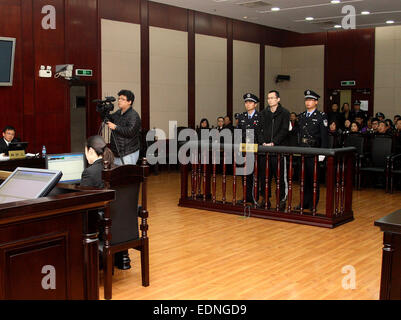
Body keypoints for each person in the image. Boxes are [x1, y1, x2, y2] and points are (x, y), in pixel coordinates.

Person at [296, 90, 328, 211]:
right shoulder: (302, 116)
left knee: (313, 180)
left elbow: (324, 136)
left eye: (310, 100)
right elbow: (299, 134)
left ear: (316, 102)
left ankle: (313, 203)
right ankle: (303, 202)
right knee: (303, 179)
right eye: (306, 100)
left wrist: (322, 152)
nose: (308, 102)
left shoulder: (321, 116)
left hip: (314, 150)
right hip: (303, 150)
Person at [258, 90, 290, 210]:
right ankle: (265, 198)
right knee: (264, 177)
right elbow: (259, 130)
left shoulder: (285, 113)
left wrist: (273, 143)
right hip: (265, 151)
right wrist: (263, 143)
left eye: (272, 98)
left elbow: (284, 130)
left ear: (278, 99)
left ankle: (281, 200)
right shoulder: (263, 113)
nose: (270, 100)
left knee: (280, 177)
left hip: (278, 151)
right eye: (268, 98)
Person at [236, 93, 263, 204]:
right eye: (246, 102)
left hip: (255, 150)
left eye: (250, 102)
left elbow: (261, 135)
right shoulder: (242, 117)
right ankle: (246, 196)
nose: (248, 104)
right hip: (244, 150)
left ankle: (254, 197)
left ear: (255, 104)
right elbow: (238, 134)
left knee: (255, 175)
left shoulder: (260, 116)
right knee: (245, 175)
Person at [105, 89, 141, 165]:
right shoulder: (119, 112)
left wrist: (115, 127)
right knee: (117, 175)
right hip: (117, 151)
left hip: (128, 152)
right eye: (119, 99)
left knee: (127, 175)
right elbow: (109, 119)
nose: (119, 101)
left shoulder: (134, 116)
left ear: (129, 102)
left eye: (123, 99)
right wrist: (103, 112)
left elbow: (130, 132)